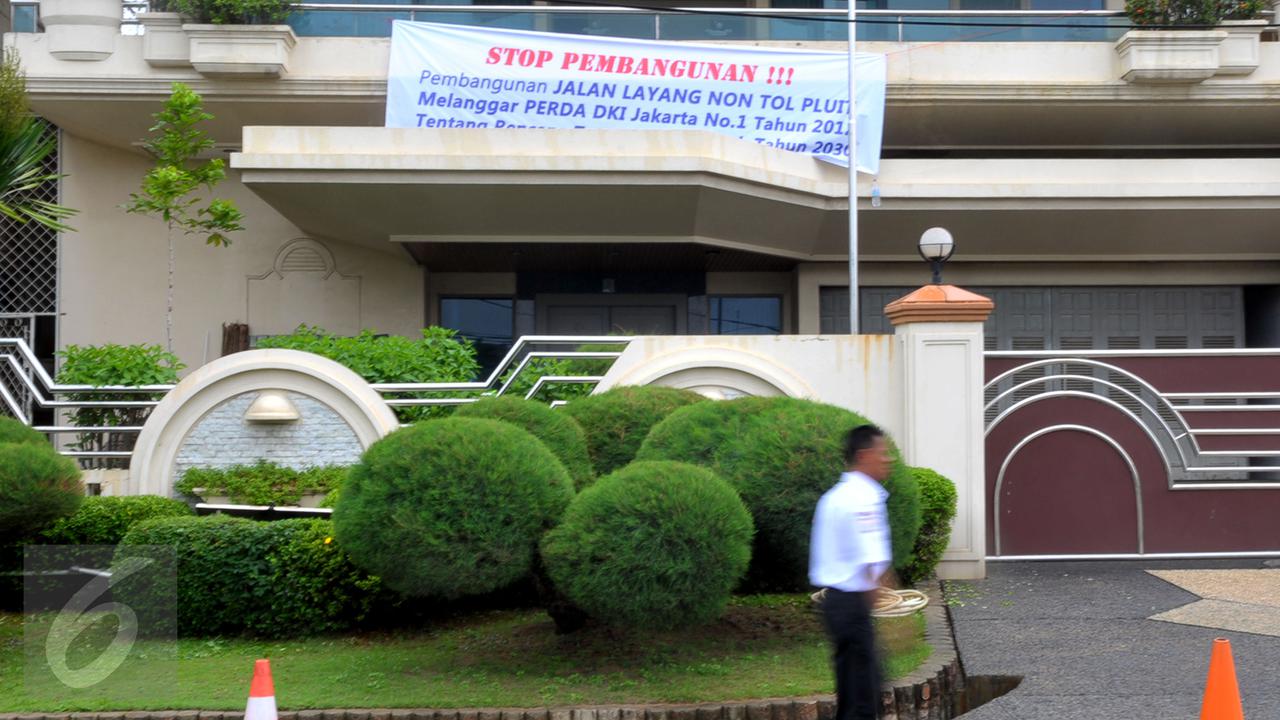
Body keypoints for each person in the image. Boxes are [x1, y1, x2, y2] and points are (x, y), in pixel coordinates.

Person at [809, 424, 894, 720]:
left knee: (852, 691)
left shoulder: (834, 496)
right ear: (864, 455)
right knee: (863, 699)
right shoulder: (862, 498)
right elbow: (870, 558)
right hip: (853, 604)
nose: (888, 460)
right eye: (883, 453)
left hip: (837, 605)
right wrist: (888, 608)